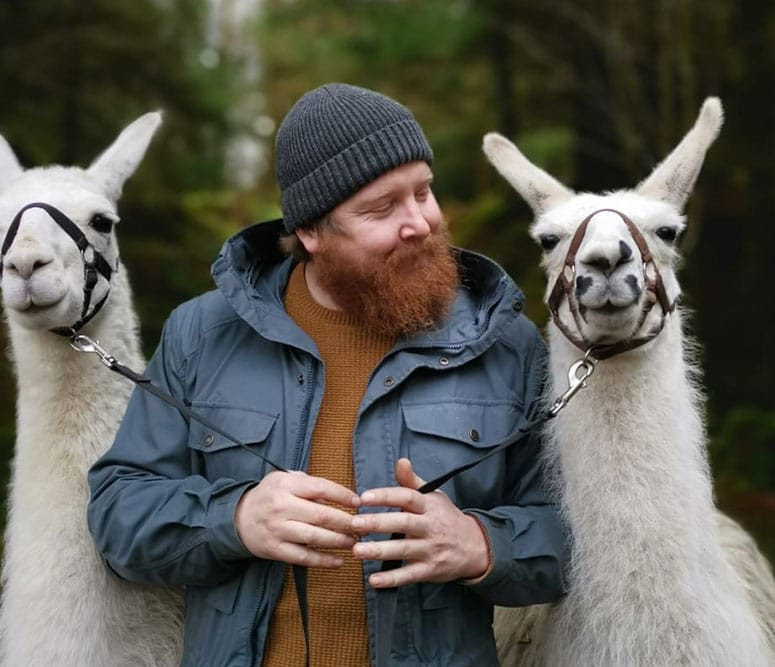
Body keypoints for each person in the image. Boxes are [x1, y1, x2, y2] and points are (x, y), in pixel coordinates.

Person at [87, 83, 567, 666]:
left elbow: (570, 536)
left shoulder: (503, 344)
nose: (421, 222)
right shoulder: (201, 335)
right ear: (312, 234)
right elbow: (119, 514)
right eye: (382, 207)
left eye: (423, 191)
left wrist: (482, 545)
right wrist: (233, 518)